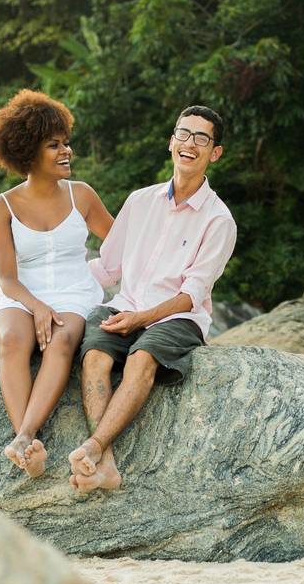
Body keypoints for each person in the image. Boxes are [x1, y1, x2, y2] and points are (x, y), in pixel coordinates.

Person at [67, 105, 237, 492]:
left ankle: (93, 447)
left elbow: (192, 295)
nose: (189, 143)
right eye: (183, 133)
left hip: (178, 319)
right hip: (124, 306)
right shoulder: (140, 201)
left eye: (201, 138)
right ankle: (104, 465)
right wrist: (46, 295)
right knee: (94, 356)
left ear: (215, 153)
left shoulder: (218, 220)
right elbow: (106, 268)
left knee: (141, 358)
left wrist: (142, 319)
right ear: (170, 141)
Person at [0, 89, 113, 478]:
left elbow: (123, 246)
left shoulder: (82, 195)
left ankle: (25, 438)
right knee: (11, 340)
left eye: (66, 143)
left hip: (75, 291)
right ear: (26, 152)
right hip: (22, 293)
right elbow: (7, 278)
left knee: (60, 341)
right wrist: (38, 306)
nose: (65, 151)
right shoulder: (2, 206)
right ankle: (30, 449)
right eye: (53, 145)